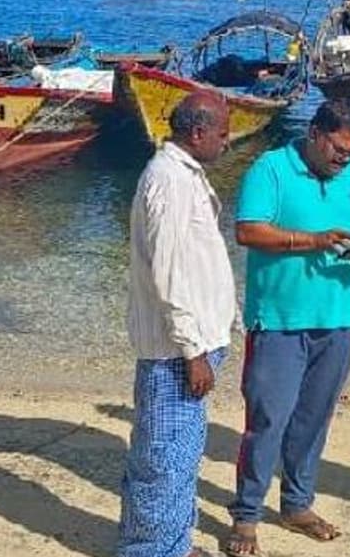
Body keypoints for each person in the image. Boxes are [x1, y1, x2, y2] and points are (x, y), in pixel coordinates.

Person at [223, 100, 350, 556]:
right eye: (339, 149)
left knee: (314, 418)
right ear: (315, 133)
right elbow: (247, 231)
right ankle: (246, 515)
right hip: (277, 321)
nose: (345, 160)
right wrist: (313, 241)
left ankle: (297, 504)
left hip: (337, 319)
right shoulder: (271, 168)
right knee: (267, 419)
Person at [119, 91, 237, 557]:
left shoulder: (184, 174)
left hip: (189, 345)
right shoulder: (168, 180)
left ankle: (173, 544)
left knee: (180, 453)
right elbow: (168, 273)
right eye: (223, 133)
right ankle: (153, 550)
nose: (228, 141)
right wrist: (193, 350)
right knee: (163, 459)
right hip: (176, 352)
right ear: (198, 133)